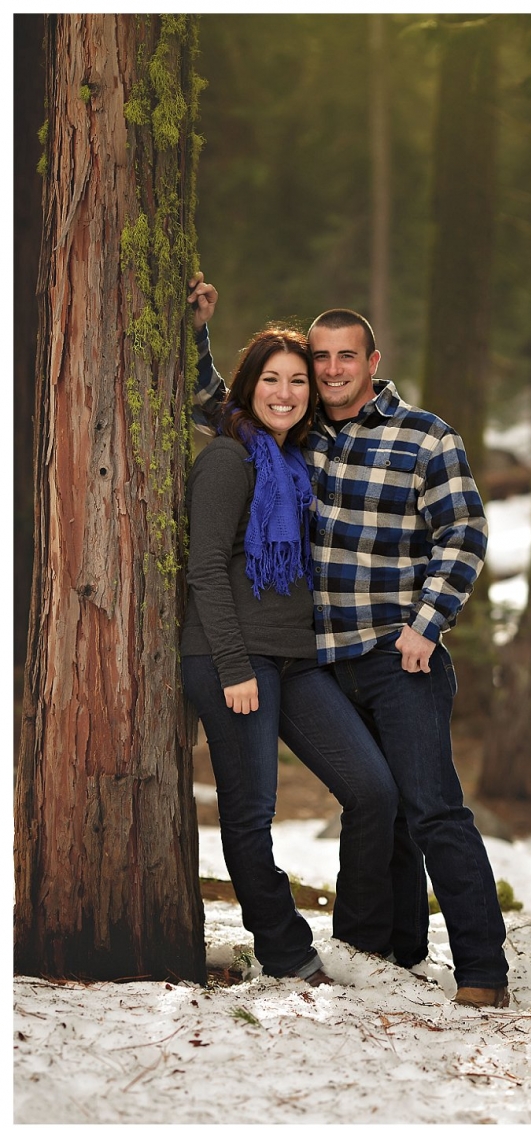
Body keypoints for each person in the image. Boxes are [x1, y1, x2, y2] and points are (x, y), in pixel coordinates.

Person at [189, 275, 510, 1008]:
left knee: (430, 807)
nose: (328, 371)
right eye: (319, 358)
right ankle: (379, 948)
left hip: (400, 654)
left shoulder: (424, 435)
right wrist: (200, 326)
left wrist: (429, 624)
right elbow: (219, 396)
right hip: (324, 656)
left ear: (373, 361)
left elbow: (464, 535)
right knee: (380, 804)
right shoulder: (299, 436)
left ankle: (484, 970)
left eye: (343, 357)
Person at [181, 320, 405, 988]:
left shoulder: (302, 460)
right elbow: (205, 571)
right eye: (271, 379)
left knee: (373, 790)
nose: (285, 392)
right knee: (250, 814)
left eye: (297, 380)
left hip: (297, 659)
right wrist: (232, 667)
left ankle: (358, 943)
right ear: (250, 388)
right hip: (235, 658)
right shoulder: (227, 457)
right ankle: (286, 952)